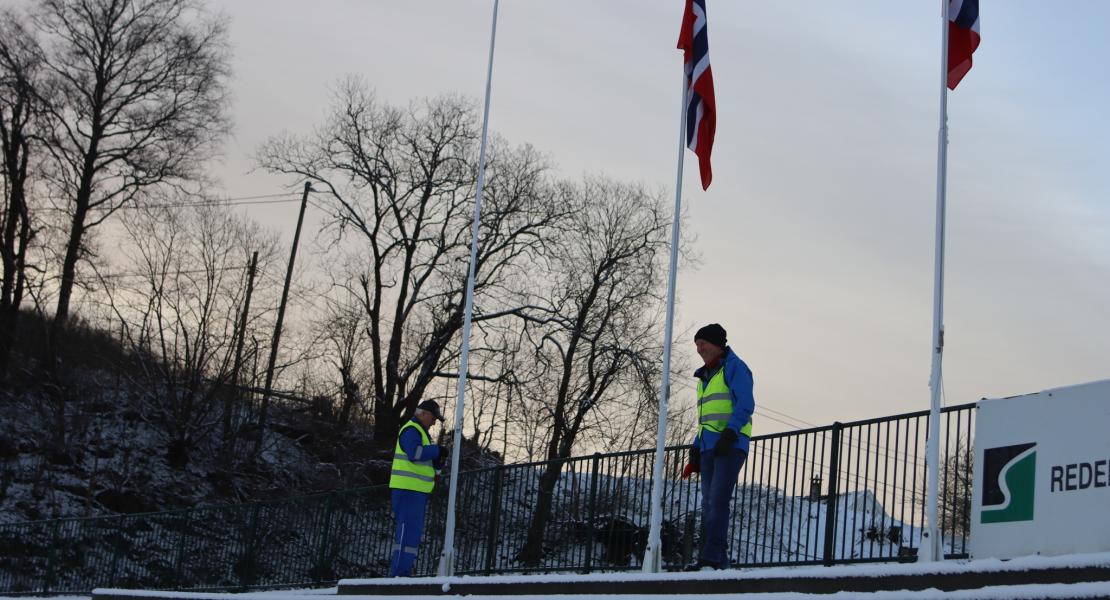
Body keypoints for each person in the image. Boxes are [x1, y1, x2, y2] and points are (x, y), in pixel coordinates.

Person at [681, 323, 754, 571]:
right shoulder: (704, 377)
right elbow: (706, 418)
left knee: (718, 500)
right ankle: (716, 560)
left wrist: (731, 434)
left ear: (717, 344)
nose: (699, 349)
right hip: (710, 447)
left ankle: (711, 558)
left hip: (730, 446)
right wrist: (695, 448)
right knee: (708, 503)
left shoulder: (734, 367)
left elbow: (745, 404)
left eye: (703, 343)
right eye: (697, 345)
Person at [388, 399, 446, 577]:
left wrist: (436, 463)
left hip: (415, 492)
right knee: (407, 534)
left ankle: (402, 573)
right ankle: (398, 575)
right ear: (424, 414)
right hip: (408, 490)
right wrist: (437, 451)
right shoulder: (411, 429)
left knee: (411, 535)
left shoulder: (419, 432)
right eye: (434, 417)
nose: (435, 421)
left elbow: (420, 457)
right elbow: (414, 453)